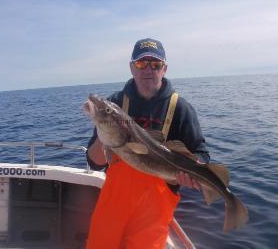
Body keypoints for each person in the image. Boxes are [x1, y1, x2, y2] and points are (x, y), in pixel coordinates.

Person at [85, 38, 210, 249]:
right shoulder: (114, 103)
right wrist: (105, 135)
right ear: (132, 68)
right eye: (142, 63)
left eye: (156, 64)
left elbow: (202, 154)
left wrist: (192, 173)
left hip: (157, 204)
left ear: (164, 69)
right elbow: (95, 163)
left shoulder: (180, 108)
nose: (148, 70)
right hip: (115, 200)